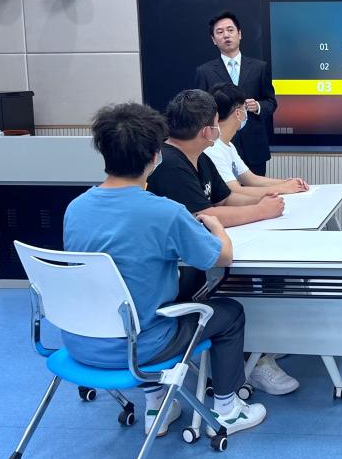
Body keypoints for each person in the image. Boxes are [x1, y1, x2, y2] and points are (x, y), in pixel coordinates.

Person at [62, 102, 265, 438]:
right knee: (229, 313)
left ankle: (158, 404)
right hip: (143, 346)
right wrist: (217, 228)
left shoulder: (76, 208)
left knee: (137, 300)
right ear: (155, 155)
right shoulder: (165, 212)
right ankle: (228, 409)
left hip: (80, 341)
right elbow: (222, 257)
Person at [147, 89, 300, 396]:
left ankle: (261, 347)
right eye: (216, 122)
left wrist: (266, 202)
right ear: (207, 131)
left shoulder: (199, 158)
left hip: (198, 257)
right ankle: (243, 374)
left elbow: (225, 198)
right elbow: (204, 215)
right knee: (236, 291)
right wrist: (259, 211)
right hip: (180, 272)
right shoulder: (171, 164)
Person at [195, 11, 277, 176]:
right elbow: (199, 110)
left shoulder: (259, 68)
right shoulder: (204, 72)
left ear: (239, 34)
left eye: (230, 30)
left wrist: (258, 106)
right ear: (213, 40)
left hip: (254, 146)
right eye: (220, 32)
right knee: (225, 190)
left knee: (257, 188)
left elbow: (271, 102)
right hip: (219, 146)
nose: (226, 35)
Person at [205, 83, 309, 197]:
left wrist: (286, 182)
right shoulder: (213, 148)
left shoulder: (228, 145)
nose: (246, 113)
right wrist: (283, 188)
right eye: (245, 108)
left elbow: (251, 179)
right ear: (238, 113)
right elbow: (234, 191)